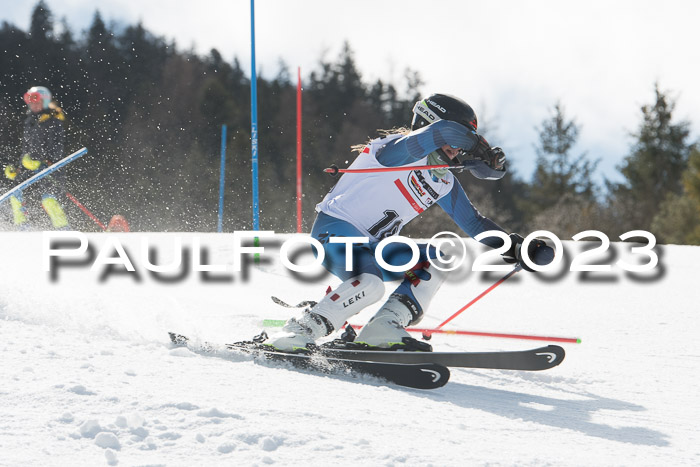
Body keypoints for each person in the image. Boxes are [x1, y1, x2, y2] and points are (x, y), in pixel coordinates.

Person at [264, 93, 553, 352]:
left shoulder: (443, 181)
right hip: (335, 232)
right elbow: (441, 132)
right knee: (372, 286)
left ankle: (382, 329)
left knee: (439, 260)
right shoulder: (396, 150)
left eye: (459, 147)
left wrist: (515, 247)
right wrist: (477, 144)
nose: (455, 151)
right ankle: (297, 332)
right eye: (455, 143)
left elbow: (475, 223)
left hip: (375, 250)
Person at [3, 86, 69, 230]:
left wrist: (43, 162)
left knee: (49, 200)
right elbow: (26, 150)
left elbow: (57, 149)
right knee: (16, 194)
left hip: (50, 170)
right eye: (29, 100)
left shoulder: (53, 122)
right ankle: (23, 228)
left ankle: (63, 229)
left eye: (36, 100)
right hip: (31, 169)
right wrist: (19, 168)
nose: (32, 103)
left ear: (45, 102)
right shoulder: (30, 122)